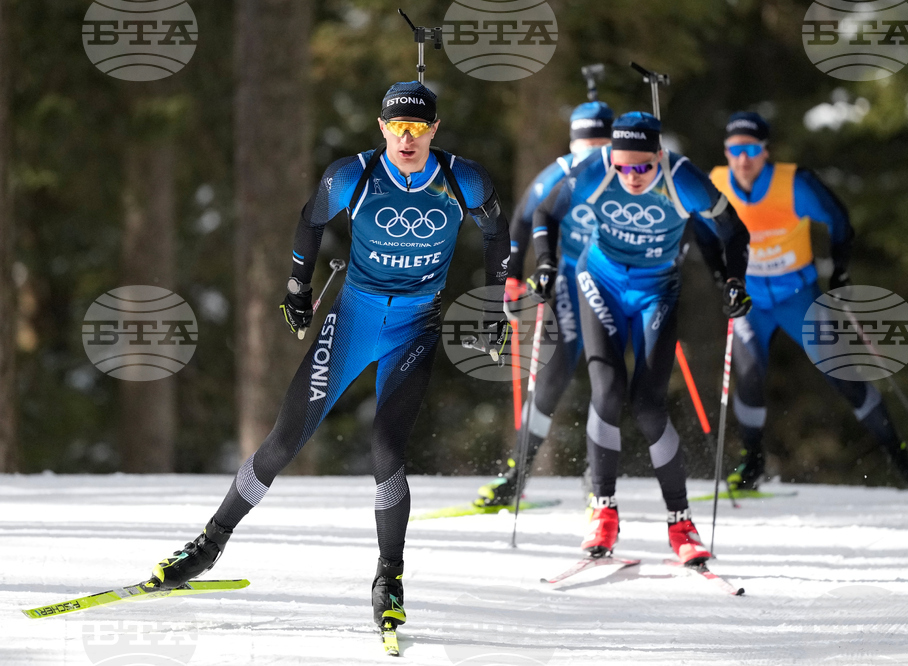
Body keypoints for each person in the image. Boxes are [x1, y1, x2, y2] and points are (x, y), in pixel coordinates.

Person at [148, 82, 513, 632]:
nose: (407, 137)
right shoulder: (353, 176)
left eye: (419, 127)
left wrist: (493, 303)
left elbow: (496, 236)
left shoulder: (464, 179)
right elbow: (310, 220)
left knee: (386, 454)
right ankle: (208, 544)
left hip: (415, 325)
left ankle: (390, 577)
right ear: (382, 126)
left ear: (435, 130)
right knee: (282, 441)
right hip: (354, 318)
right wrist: (298, 286)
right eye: (398, 126)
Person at [530, 112, 752, 564]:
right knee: (607, 392)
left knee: (649, 404)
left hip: (656, 291)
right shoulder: (596, 169)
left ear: (658, 157)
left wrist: (734, 282)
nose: (631, 176)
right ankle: (603, 512)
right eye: (623, 166)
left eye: (642, 167)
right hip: (600, 283)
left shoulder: (682, 177)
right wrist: (546, 263)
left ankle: (681, 523)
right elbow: (544, 212)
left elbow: (735, 231)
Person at [707, 111, 908, 507]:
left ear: (765, 151)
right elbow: (704, 229)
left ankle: (906, 462)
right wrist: (723, 276)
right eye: (736, 150)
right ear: (726, 152)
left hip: (797, 298)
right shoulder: (716, 183)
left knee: (844, 375)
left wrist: (839, 270)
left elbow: (839, 219)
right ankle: (750, 464)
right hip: (752, 302)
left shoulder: (794, 184)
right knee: (749, 373)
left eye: (751, 149)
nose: (743, 159)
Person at [475, 100, 614, 507]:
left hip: (617, 279)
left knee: (611, 378)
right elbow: (520, 220)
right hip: (569, 279)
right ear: (571, 144)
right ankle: (516, 474)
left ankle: (599, 472)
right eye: (581, 147)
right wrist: (514, 275)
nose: (588, 156)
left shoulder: (627, 173)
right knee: (551, 378)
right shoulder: (557, 175)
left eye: (598, 145)